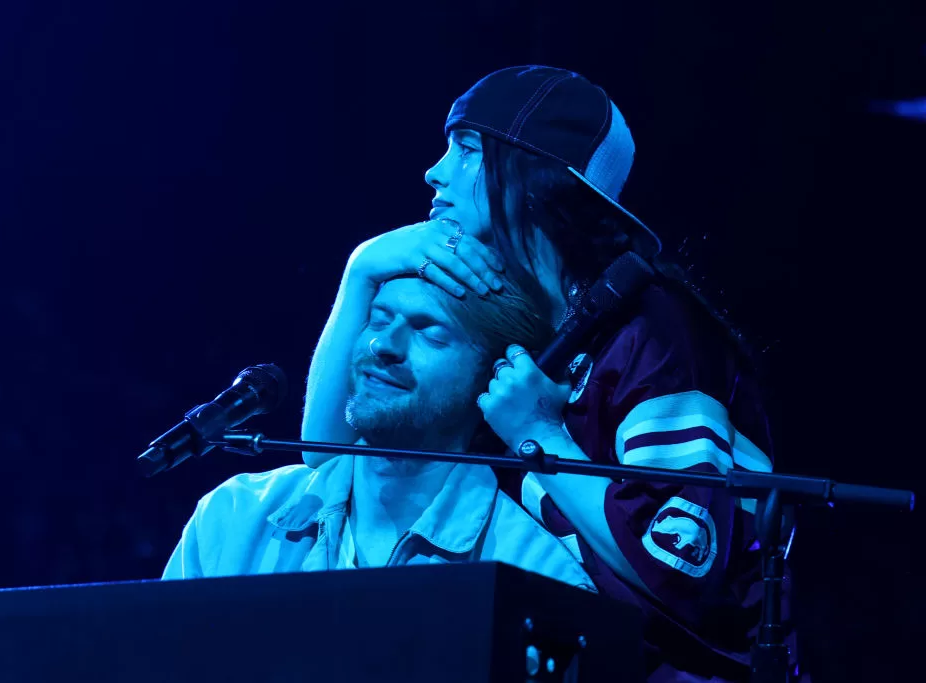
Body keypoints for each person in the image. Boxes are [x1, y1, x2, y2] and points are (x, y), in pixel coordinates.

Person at [301, 65, 800, 681]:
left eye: (464, 151)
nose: (433, 172)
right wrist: (360, 271)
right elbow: (327, 460)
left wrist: (539, 434)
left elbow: (679, 565)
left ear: (530, 173)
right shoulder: (516, 324)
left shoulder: (652, 332)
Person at [162, 273, 595, 594]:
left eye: (429, 331)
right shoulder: (232, 515)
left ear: (495, 374)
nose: (382, 345)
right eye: (377, 319)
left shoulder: (536, 572)